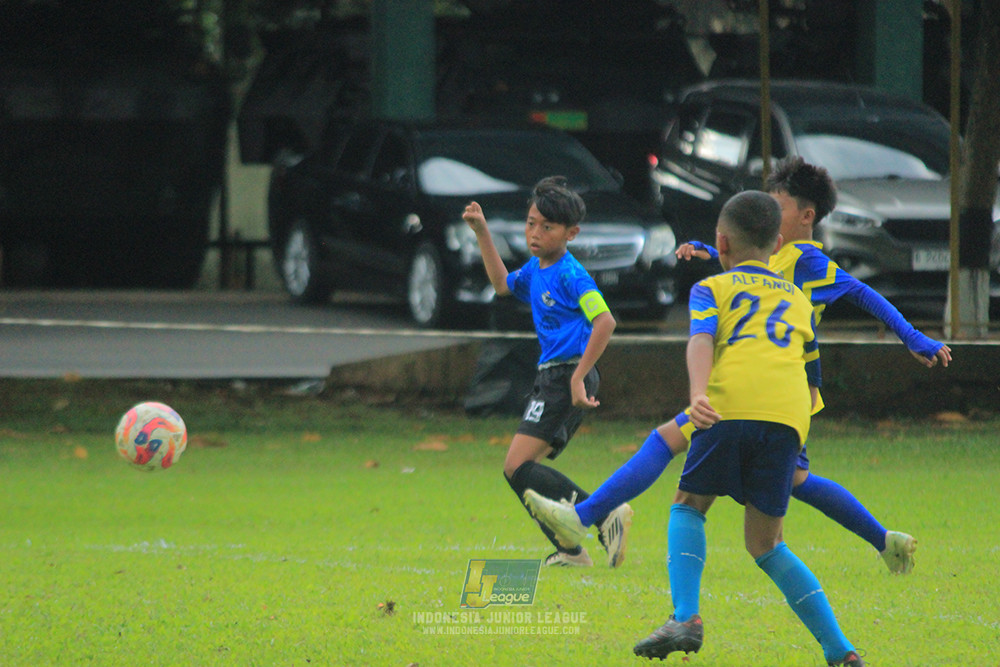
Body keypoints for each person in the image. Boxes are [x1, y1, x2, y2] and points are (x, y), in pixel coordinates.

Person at [524, 157, 951, 574]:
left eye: (777, 206)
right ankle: (885, 541)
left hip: (771, 385)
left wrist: (913, 336)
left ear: (806, 216)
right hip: (768, 386)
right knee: (796, 482)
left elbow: (863, 294)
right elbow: (751, 272)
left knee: (668, 442)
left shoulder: (811, 262)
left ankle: (585, 517)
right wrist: (714, 251)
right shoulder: (778, 256)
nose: (766, 211)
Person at [635, 190, 864, 665]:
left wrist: (698, 393)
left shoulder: (712, 288)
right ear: (778, 241)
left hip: (729, 404)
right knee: (767, 543)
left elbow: (701, 340)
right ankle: (841, 651)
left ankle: (686, 617)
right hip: (788, 417)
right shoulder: (799, 299)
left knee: (689, 504)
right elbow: (808, 366)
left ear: (720, 243)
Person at [462, 176, 633, 569]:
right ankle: (573, 549)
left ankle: (604, 515)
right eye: (530, 223)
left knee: (516, 467)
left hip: (567, 375)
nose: (535, 233)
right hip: (554, 376)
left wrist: (578, 376)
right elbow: (503, 285)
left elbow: (605, 322)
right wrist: (482, 231)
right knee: (521, 471)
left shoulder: (571, 275)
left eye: (547, 227)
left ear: (571, 233)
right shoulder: (537, 268)